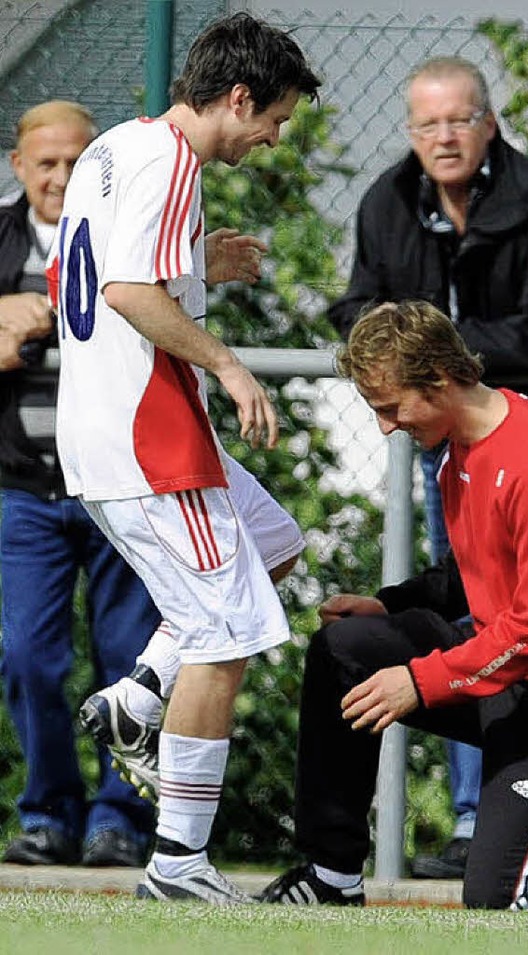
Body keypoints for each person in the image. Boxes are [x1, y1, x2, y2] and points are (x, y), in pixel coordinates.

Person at [47, 13, 319, 904]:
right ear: (237, 98)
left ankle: (138, 697)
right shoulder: (175, 165)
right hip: (149, 441)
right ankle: (178, 865)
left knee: (275, 544)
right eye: (273, 119)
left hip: (107, 428)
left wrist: (201, 259)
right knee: (226, 637)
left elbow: (85, 271)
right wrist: (229, 363)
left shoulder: (119, 146)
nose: (274, 138)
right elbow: (126, 290)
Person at [327, 56, 528, 879]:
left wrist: (442, 363)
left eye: (460, 120)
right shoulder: (389, 200)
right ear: (411, 134)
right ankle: (419, 832)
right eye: (429, 125)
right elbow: (356, 306)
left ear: (489, 123)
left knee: (525, 609)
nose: (445, 137)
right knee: (456, 596)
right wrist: (390, 607)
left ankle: (494, 805)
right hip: (454, 423)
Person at [258, 300, 528, 910]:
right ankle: (330, 876)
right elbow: (469, 574)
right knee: (346, 647)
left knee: (508, 899)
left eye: (391, 408)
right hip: (505, 675)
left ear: (439, 380)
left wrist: (421, 679)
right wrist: (388, 607)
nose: (385, 427)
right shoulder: (457, 449)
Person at [0, 100, 161, 867]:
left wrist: (45, 320)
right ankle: (49, 813)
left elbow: (150, 313)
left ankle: (120, 818)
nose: (62, 178)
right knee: (29, 657)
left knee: (129, 656)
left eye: (75, 162)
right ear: (18, 167)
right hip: (23, 491)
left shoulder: (123, 227)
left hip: (114, 483)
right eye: (46, 164)